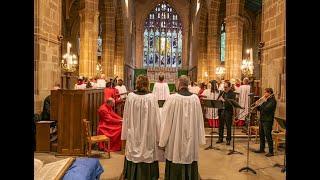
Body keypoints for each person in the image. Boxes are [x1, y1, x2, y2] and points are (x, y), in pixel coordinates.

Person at [159, 75, 206, 180]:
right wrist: (200, 138)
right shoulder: (195, 99)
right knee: (189, 155)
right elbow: (199, 120)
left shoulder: (172, 99)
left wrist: (162, 141)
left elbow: (166, 122)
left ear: (179, 84)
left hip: (175, 140)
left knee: (176, 155)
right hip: (191, 138)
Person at [121, 75, 161, 180]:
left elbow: (126, 117)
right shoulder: (151, 97)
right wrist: (158, 136)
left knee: (134, 149)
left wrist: (125, 134)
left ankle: (133, 175)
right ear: (147, 84)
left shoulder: (131, 96)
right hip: (148, 131)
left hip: (134, 131)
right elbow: (157, 118)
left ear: (137, 83)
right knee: (147, 151)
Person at [254, 88, 277, 157]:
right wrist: (257, 104)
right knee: (261, 135)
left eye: (265, 93)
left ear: (269, 93)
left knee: (268, 136)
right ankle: (262, 148)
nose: (264, 94)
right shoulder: (266, 100)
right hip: (262, 119)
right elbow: (259, 109)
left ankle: (271, 151)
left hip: (268, 120)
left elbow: (266, 109)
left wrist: (262, 103)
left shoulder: (273, 101)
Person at [216, 81, 236, 145]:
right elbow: (217, 100)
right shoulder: (222, 93)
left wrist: (224, 100)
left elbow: (231, 103)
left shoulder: (232, 94)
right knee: (220, 126)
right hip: (221, 111)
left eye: (226, 87)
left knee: (228, 126)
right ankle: (220, 138)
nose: (225, 88)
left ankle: (228, 139)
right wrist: (219, 100)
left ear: (230, 87)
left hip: (228, 111)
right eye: (224, 87)